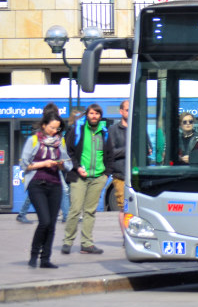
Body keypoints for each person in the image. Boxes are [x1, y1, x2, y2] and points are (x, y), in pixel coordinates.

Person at [20, 107, 72, 268]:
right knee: (45, 221)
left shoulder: (60, 142)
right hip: (37, 184)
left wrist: (62, 165)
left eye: (57, 129)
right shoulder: (33, 140)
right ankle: (34, 255)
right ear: (44, 125)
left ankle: (45, 259)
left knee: (52, 225)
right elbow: (24, 164)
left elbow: (68, 163)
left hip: (55, 185)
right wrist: (44, 163)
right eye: (52, 128)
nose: (54, 131)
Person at [62, 103, 111, 255]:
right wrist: (77, 167)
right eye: (91, 113)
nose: (94, 116)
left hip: (98, 177)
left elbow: (110, 154)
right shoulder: (77, 129)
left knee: (90, 211)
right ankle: (68, 241)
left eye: (97, 114)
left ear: (100, 116)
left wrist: (106, 174)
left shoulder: (104, 131)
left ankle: (87, 243)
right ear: (87, 115)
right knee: (75, 210)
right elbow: (68, 151)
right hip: (79, 177)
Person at [107, 100, 131, 209]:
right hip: (120, 174)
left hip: (135, 175)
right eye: (127, 110)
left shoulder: (137, 128)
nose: (130, 112)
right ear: (121, 111)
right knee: (123, 207)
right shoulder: (113, 129)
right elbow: (110, 152)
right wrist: (128, 150)